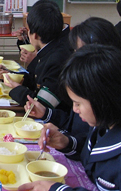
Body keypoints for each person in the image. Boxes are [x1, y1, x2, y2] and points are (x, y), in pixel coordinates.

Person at [19, 44, 121, 191]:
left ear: (102, 99)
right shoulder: (103, 126)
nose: (74, 109)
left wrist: (58, 189)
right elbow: (92, 157)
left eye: (78, 103)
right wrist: (66, 142)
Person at [24, 17, 121, 159]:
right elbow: (76, 128)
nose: (73, 58)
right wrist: (46, 114)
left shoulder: (102, 104)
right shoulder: (85, 91)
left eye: (80, 52)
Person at [0, 0, 72, 110]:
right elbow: (36, 81)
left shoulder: (58, 58)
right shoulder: (52, 49)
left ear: (34, 35)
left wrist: (16, 88)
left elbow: (41, 105)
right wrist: (12, 76)